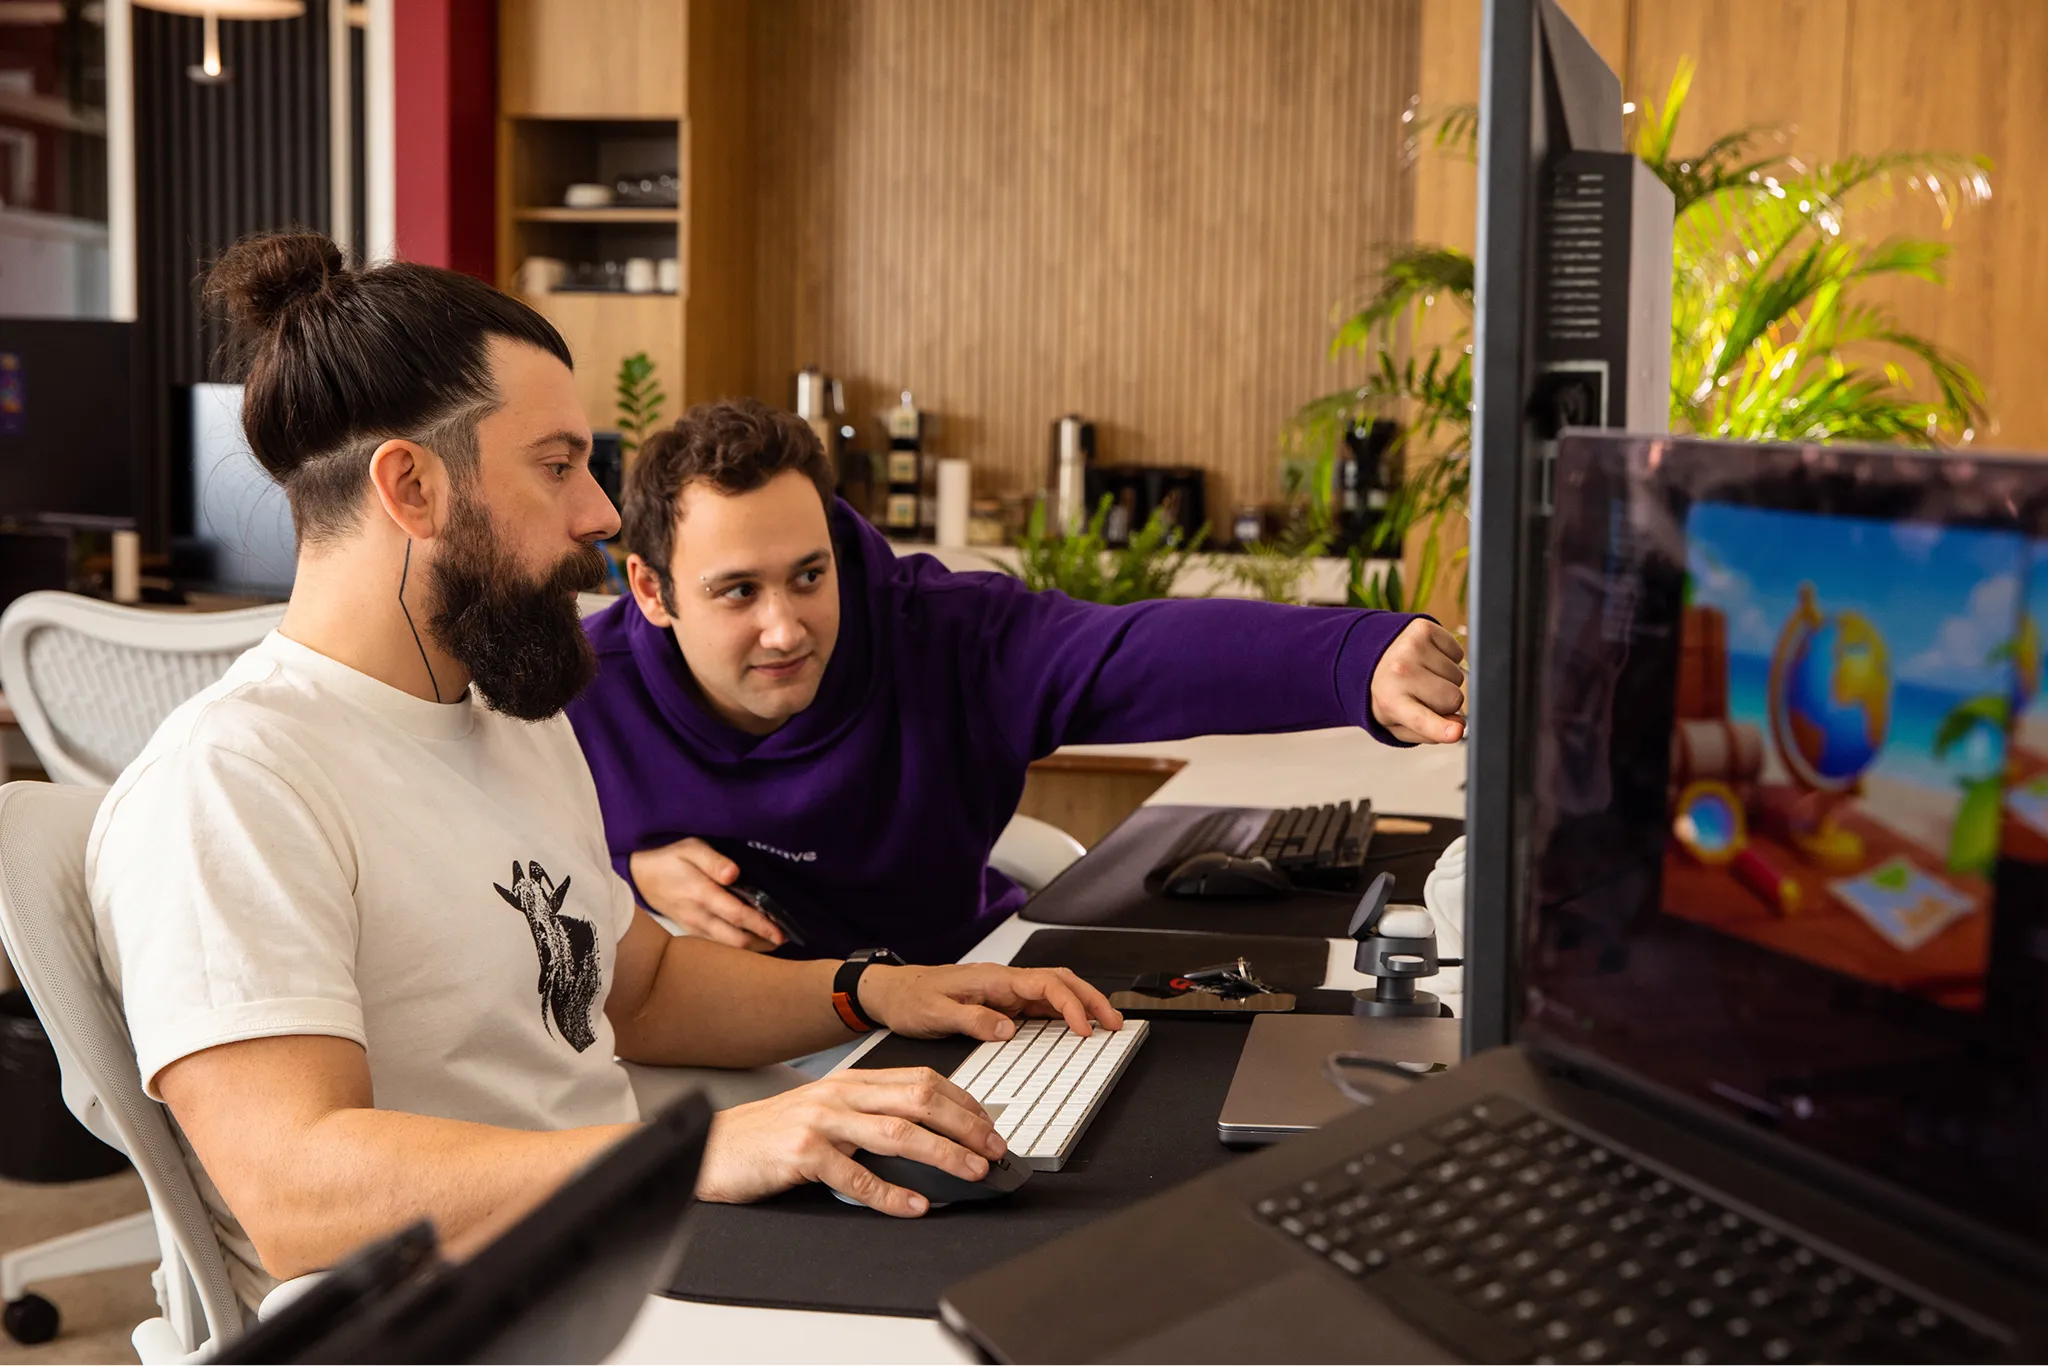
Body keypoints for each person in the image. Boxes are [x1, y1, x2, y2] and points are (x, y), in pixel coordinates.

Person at [87, 232, 1121, 1310]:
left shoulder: (513, 721)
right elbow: (294, 1191)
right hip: (452, 1314)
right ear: (410, 486)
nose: (599, 513)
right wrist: (689, 1154)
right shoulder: (233, 781)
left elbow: (643, 986)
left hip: (615, 1247)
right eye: (556, 465)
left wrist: (878, 987)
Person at [568, 400, 1468, 962]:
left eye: (810, 574)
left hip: (953, 994)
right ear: (650, 589)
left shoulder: (942, 637)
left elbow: (1132, 651)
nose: (786, 627)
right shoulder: (572, 699)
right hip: (727, 1046)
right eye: (737, 592)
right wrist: (624, 868)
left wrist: (1360, 661)